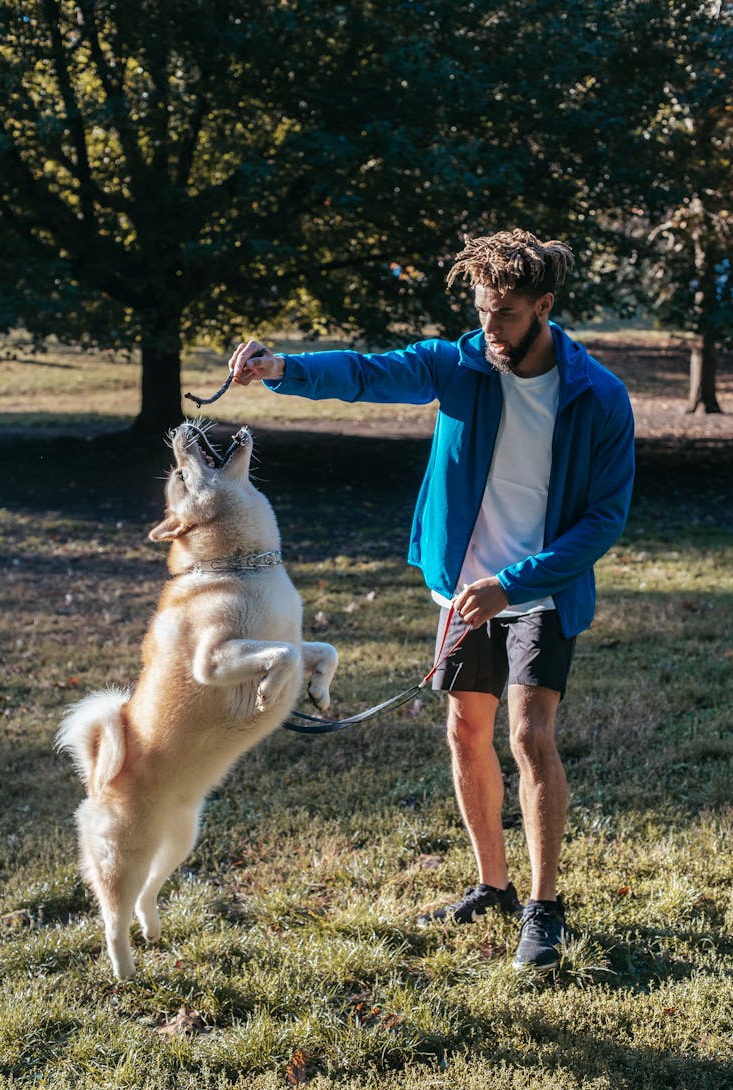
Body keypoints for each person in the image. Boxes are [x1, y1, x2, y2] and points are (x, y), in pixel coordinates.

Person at [229, 229, 635, 971]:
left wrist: (515, 582)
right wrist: (283, 368)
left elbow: (605, 518)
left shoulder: (599, 397)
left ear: (544, 307)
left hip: (537, 591)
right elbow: (367, 372)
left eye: (506, 313)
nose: (490, 329)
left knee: (529, 738)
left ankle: (544, 910)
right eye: (482, 311)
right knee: (463, 732)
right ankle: (493, 885)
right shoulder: (459, 364)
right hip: (461, 589)